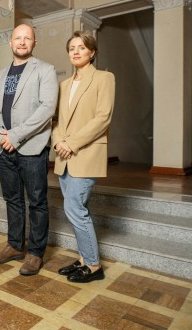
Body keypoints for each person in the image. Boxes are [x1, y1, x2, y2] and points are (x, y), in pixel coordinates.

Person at [0, 24, 58, 276]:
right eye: (18, 38)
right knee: (12, 199)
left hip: (32, 148)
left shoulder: (45, 71)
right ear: (11, 42)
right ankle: (15, 245)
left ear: (34, 43)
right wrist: (0, 136)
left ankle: (35, 252)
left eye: (28, 38)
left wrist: (14, 136)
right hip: (4, 150)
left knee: (37, 201)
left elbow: (47, 109)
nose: (22, 42)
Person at [52, 31, 115, 283]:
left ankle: (94, 265)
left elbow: (103, 118)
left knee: (74, 208)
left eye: (81, 47)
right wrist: (58, 142)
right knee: (78, 209)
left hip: (86, 154)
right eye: (72, 48)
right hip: (63, 156)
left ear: (92, 52)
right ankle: (83, 258)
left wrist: (71, 143)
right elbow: (56, 121)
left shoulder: (104, 78)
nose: (76, 52)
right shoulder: (63, 85)